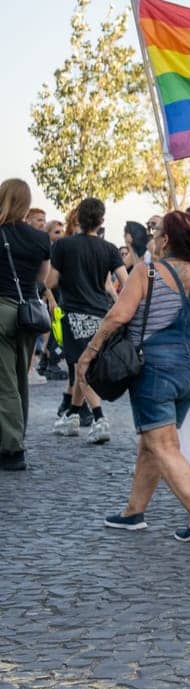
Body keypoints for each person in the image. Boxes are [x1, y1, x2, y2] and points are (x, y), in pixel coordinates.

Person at [83, 210, 190, 541]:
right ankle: (133, 512)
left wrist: (89, 354)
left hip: (156, 367)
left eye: (156, 231)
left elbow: (119, 314)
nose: (151, 237)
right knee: (153, 440)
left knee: (162, 443)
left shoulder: (147, 273)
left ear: (165, 240)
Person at [50, 197, 125, 444]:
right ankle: (72, 415)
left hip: (73, 314)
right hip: (100, 316)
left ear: (77, 218)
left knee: (81, 367)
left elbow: (50, 282)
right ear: (101, 221)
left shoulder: (63, 246)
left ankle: (99, 418)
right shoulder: (110, 249)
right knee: (80, 366)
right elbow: (125, 281)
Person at [0, 180, 52, 471]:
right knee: (20, 379)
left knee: (5, 382)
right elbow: (42, 279)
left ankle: (11, 448)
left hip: (1, 310)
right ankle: (15, 437)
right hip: (29, 314)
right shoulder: (40, 239)